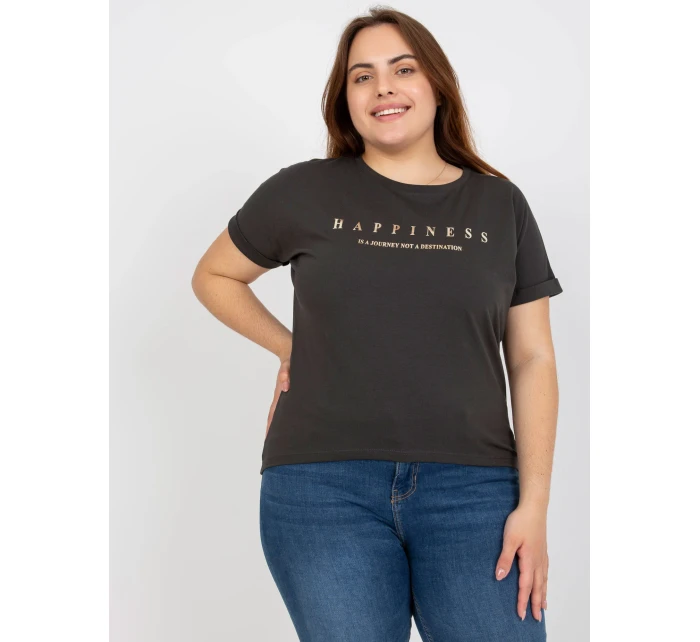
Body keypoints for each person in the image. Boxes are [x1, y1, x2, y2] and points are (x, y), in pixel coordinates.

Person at [192, 7, 563, 641]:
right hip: (322, 487)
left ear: (438, 85)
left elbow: (533, 358)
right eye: (362, 76)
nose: (383, 87)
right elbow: (215, 275)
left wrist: (534, 506)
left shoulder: (499, 204)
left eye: (403, 69)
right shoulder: (302, 191)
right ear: (345, 99)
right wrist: (291, 348)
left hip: (474, 492)